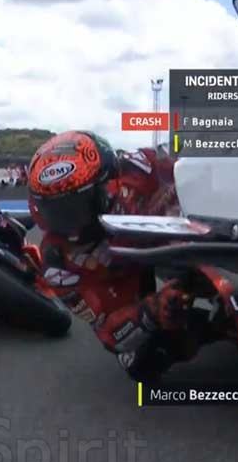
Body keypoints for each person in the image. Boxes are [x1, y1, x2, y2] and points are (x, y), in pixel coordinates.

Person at [27, 130, 190, 382]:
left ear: (106, 184)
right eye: (55, 210)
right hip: (126, 276)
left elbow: (193, 173)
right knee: (140, 361)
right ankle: (213, 326)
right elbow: (109, 332)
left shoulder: (140, 166)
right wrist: (151, 311)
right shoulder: (57, 264)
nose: (68, 221)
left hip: (185, 234)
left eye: (76, 206)